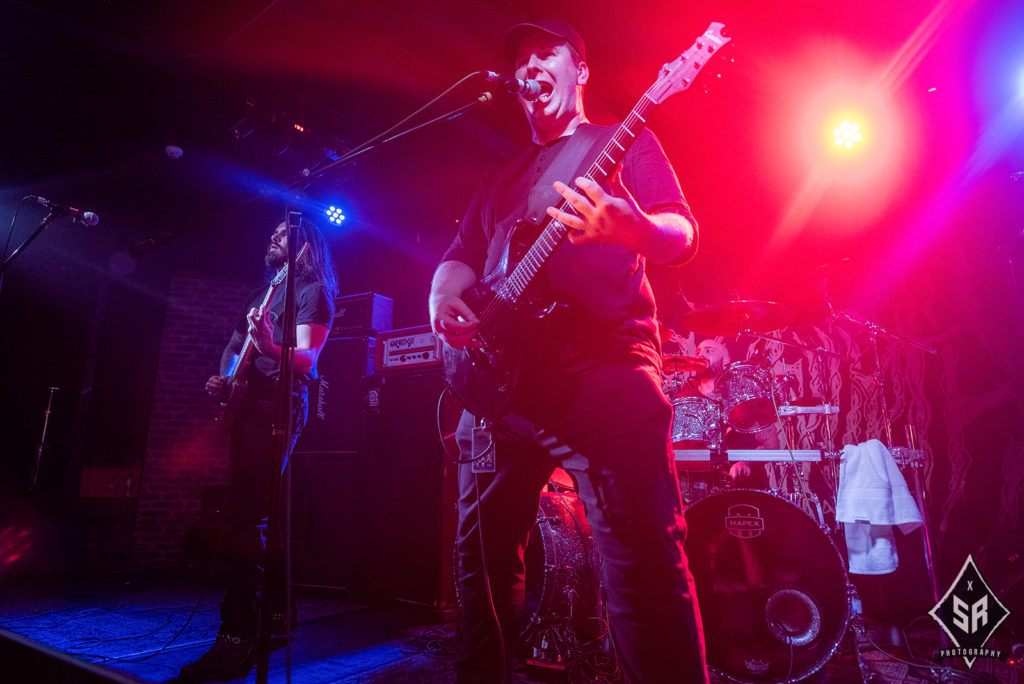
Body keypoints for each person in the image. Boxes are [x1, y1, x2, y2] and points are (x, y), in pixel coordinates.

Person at [429, 19, 707, 683]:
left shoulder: (622, 141)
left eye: (544, 53)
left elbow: (681, 231)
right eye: (519, 59)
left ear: (579, 69)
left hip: (603, 372)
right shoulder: (500, 174)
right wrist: (443, 305)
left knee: (642, 569)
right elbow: (458, 260)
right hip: (502, 383)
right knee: (480, 572)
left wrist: (631, 226)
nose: (529, 67)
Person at [177, 219, 337, 682]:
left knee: (246, 516)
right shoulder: (265, 291)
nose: (272, 237)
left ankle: (237, 635)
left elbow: (307, 358)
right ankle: (277, 616)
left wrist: (271, 344)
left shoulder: (314, 290)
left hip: (279, 405)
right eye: (271, 232)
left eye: (283, 234)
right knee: (264, 512)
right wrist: (223, 378)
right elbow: (234, 346)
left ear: (304, 245)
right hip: (247, 405)